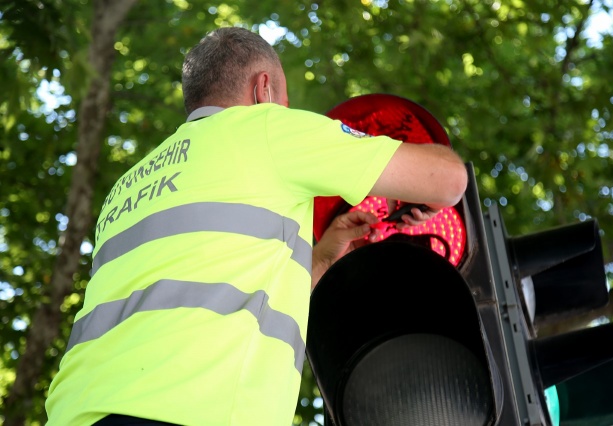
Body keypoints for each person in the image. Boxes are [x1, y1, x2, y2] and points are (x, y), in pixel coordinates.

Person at [45, 27, 467, 426]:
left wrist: (320, 258)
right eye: (284, 101)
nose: (285, 111)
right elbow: (448, 180)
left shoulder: (127, 187)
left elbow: (211, 287)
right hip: (194, 410)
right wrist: (418, 201)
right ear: (263, 88)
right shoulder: (268, 128)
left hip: (76, 412)